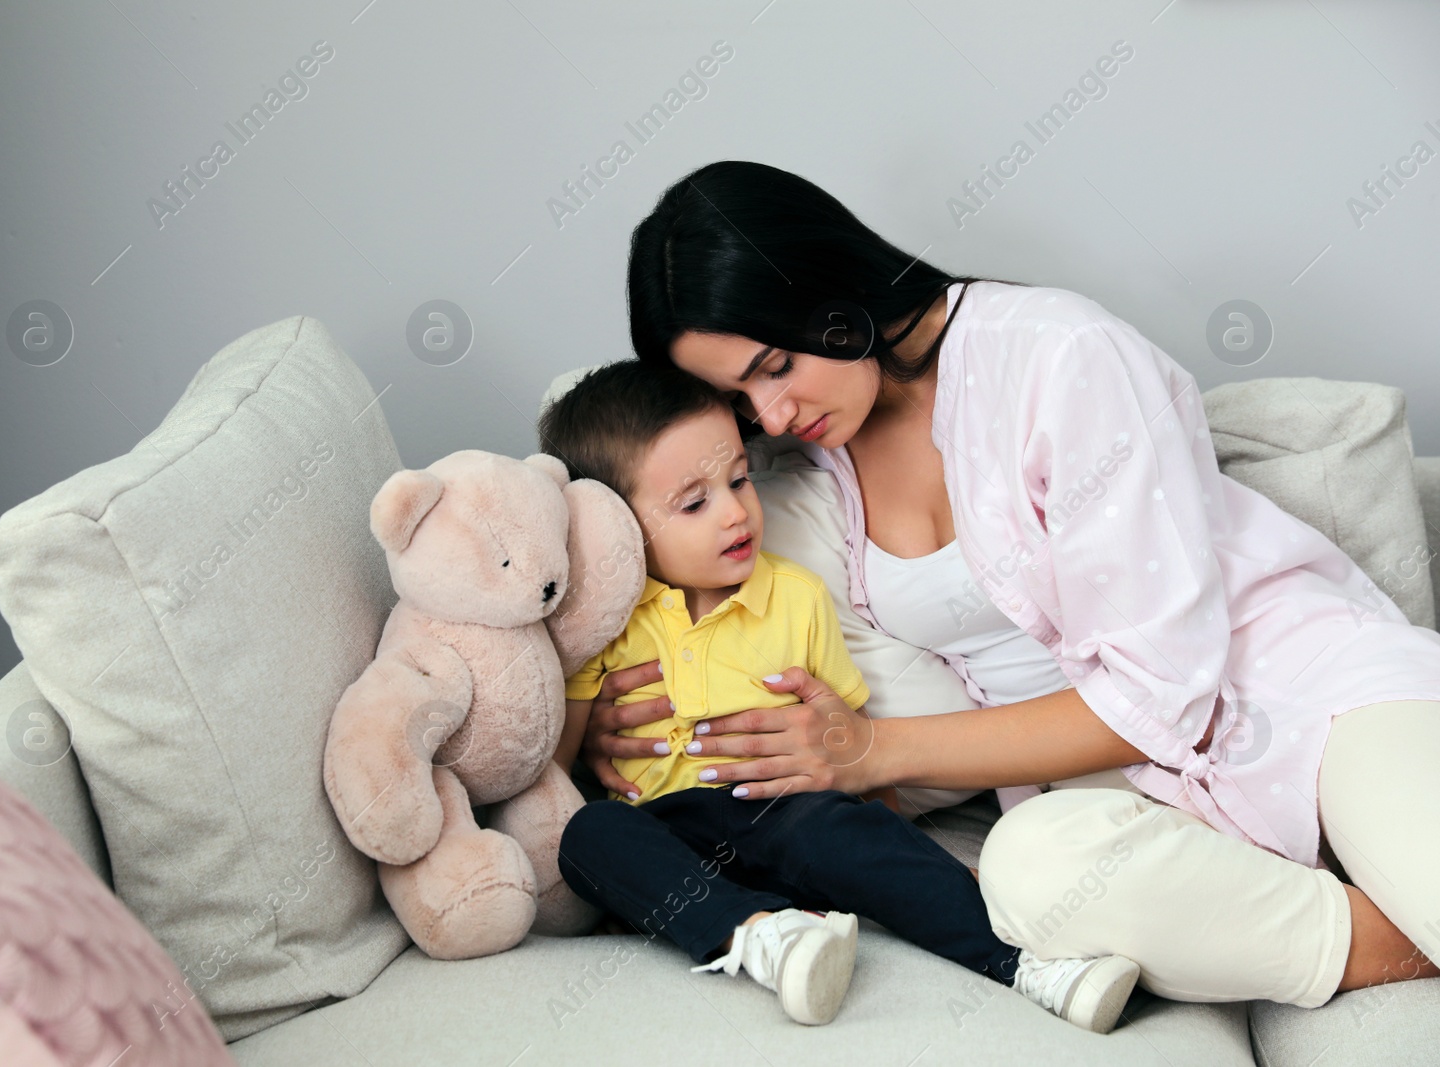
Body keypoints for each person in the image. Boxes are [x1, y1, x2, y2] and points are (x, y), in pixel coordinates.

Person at [579, 159, 1440, 1013]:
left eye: (773, 366)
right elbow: (661, 529)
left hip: (1311, 698)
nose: (769, 416)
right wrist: (616, 717)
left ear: (828, 288)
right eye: (738, 398)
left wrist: (873, 751)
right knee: (1031, 872)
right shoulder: (795, 466)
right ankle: (1387, 938)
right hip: (1126, 788)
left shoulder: (1058, 355)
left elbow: (1164, 694)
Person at [537, 359, 1140, 1031]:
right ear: (618, 526)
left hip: (786, 815)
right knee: (589, 833)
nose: (736, 511)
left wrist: (894, 842)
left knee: (841, 832)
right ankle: (761, 938)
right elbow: (555, 769)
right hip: (673, 832)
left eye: (739, 478)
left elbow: (849, 740)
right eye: (694, 502)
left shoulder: (793, 595)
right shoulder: (610, 620)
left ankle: (1031, 968)